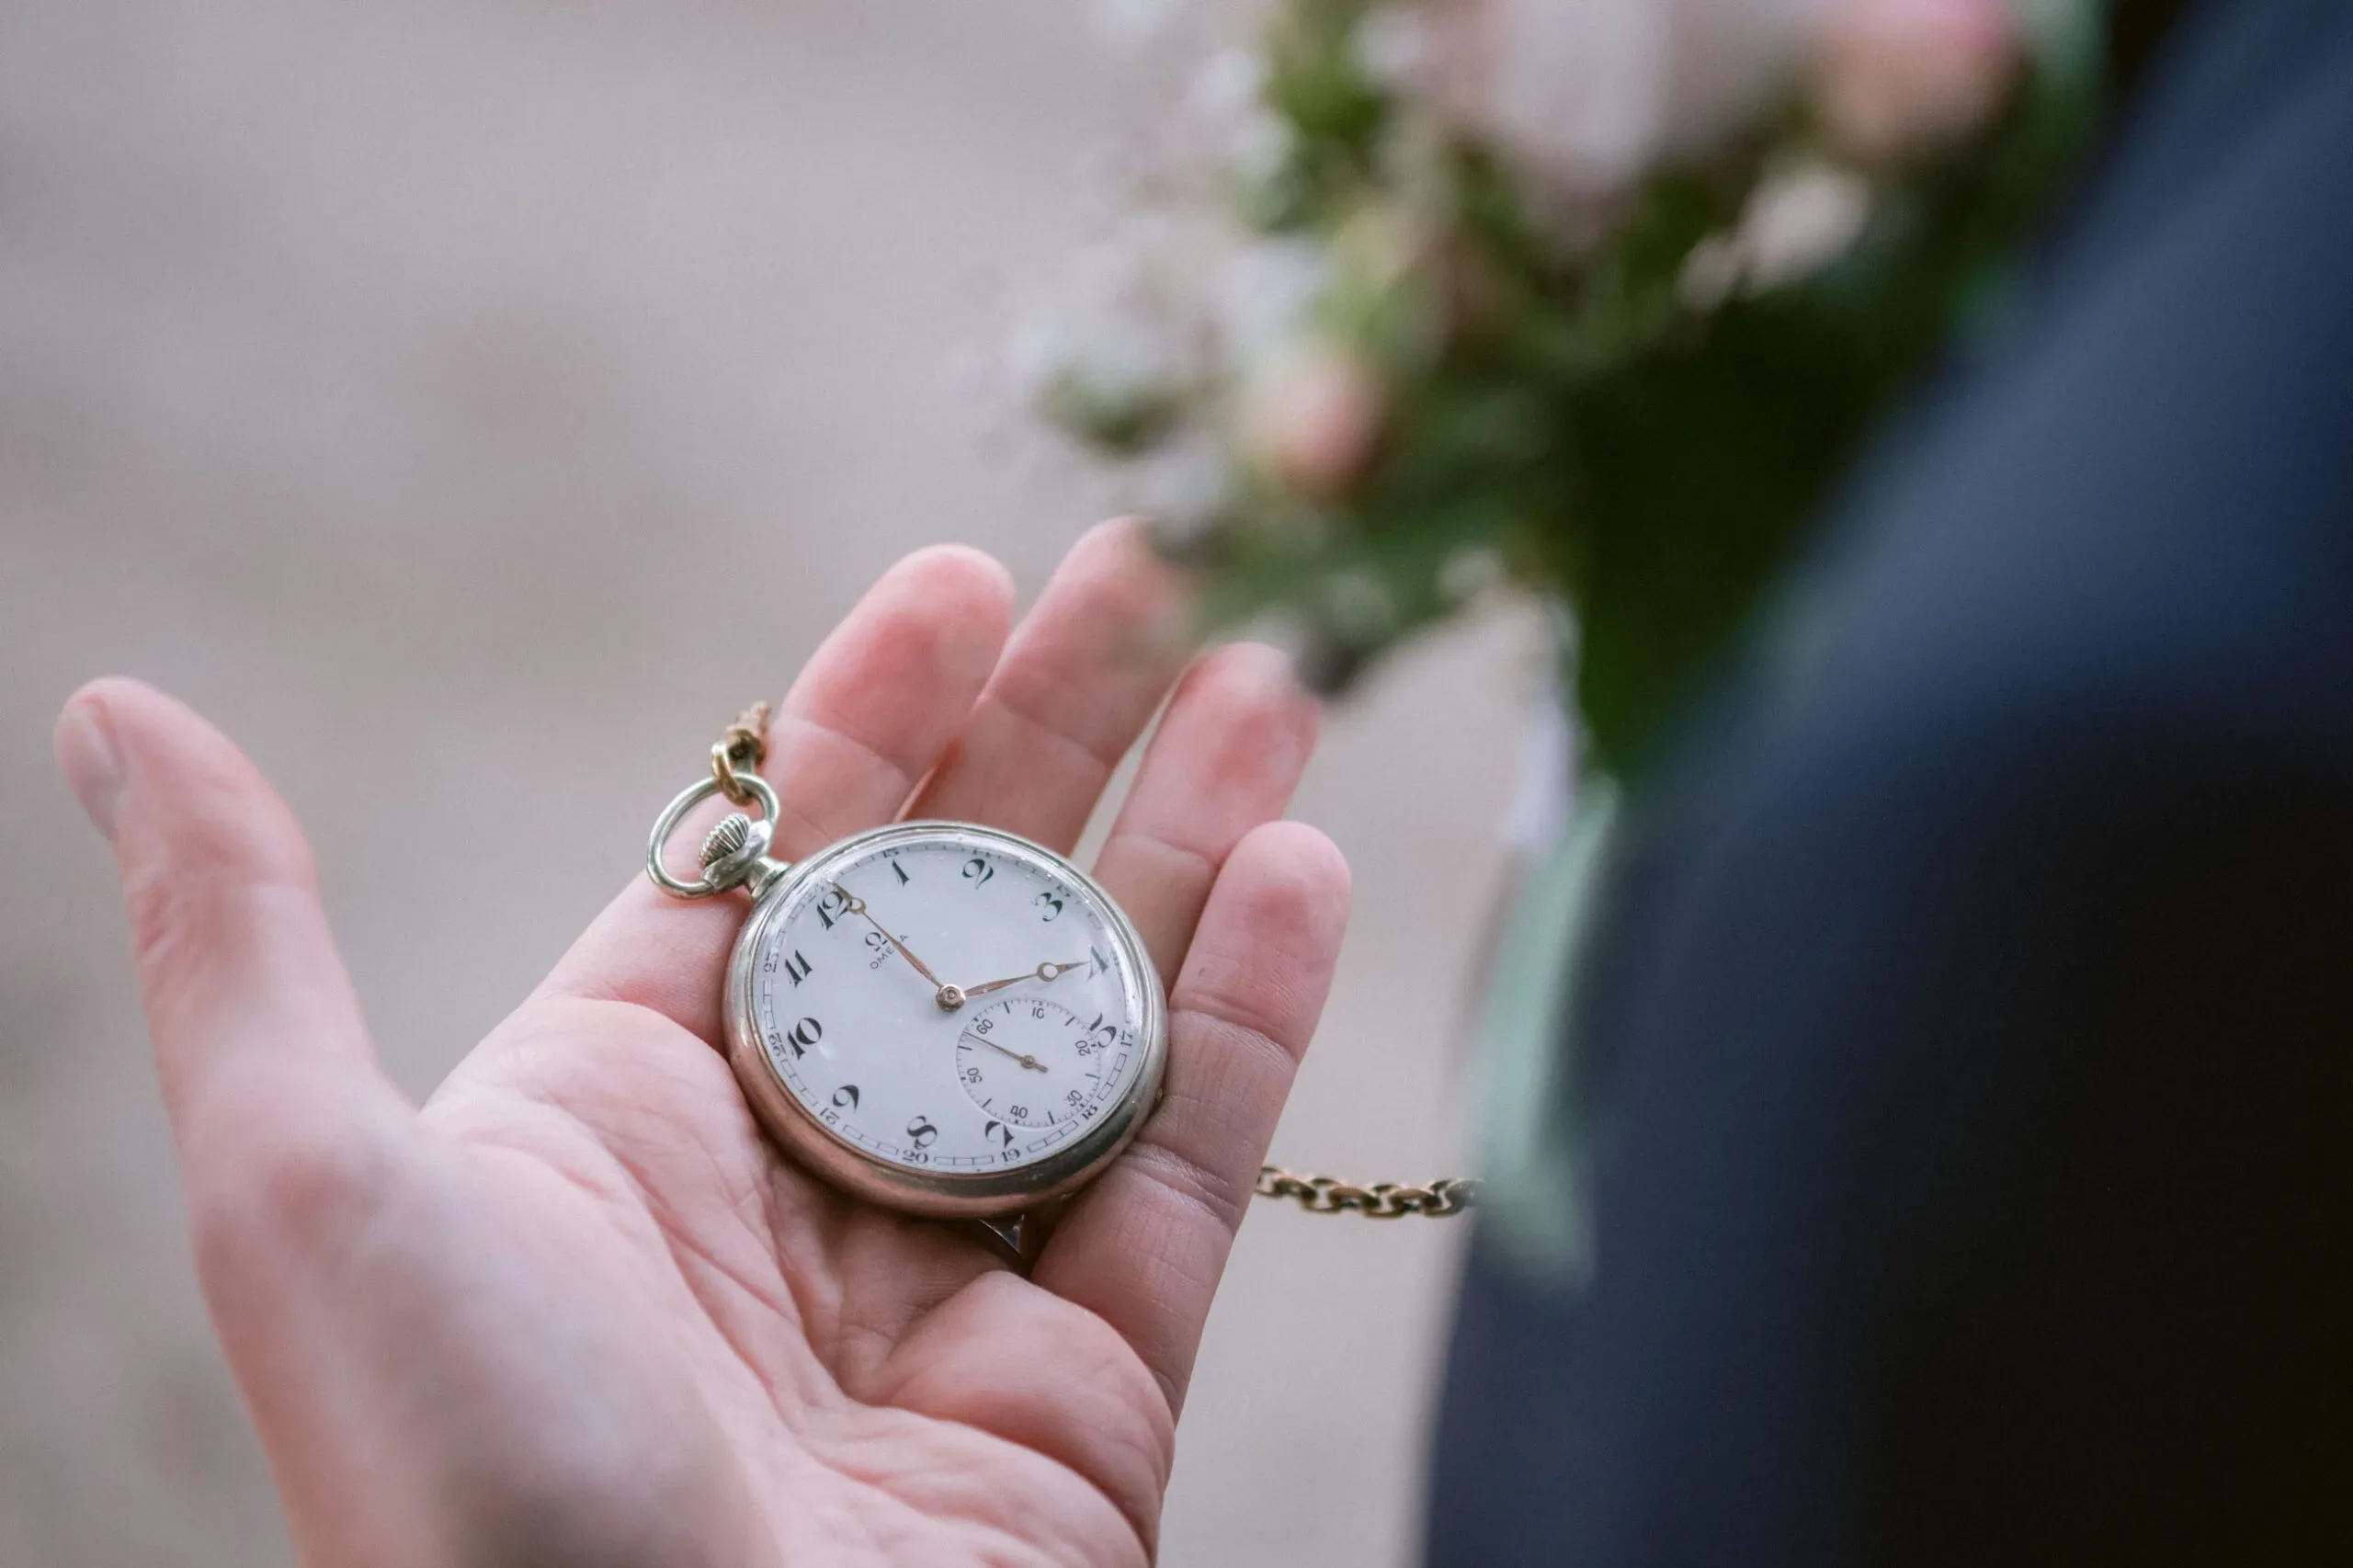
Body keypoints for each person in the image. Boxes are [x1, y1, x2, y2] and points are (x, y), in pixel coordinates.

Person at [55, 522, 1342, 1566]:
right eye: (947, 990)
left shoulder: (911, 926)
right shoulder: (790, 977)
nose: (956, 998)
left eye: (969, 988)